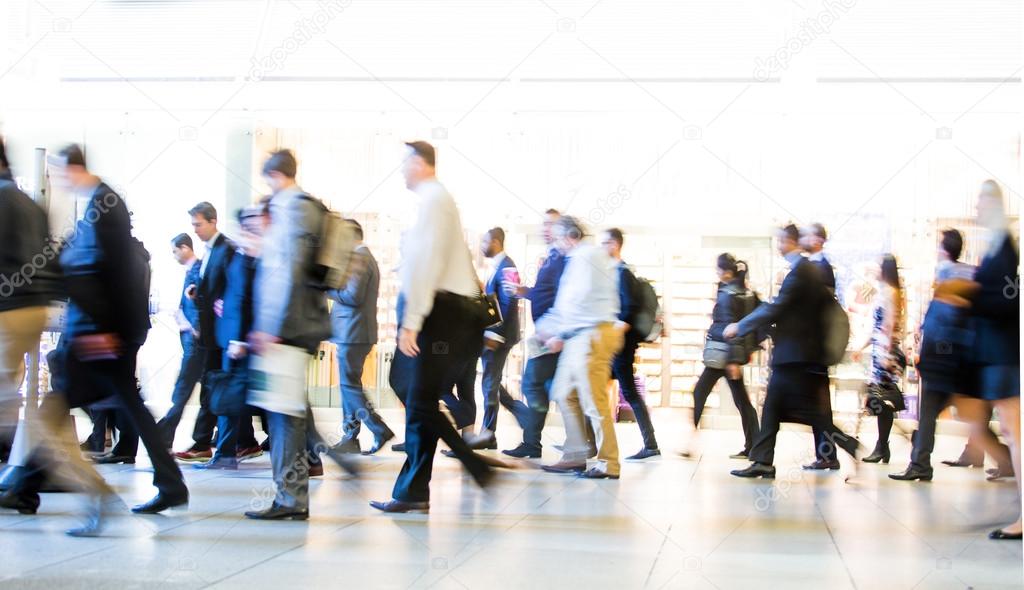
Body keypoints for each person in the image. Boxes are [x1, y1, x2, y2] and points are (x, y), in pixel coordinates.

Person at [4, 144, 189, 523]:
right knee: (111, 407)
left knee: (57, 409)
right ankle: (23, 484)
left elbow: (110, 272)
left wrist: (101, 328)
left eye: (56, 172)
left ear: (69, 168)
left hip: (100, 333)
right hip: (101, 330)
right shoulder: (98, 204)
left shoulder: (103, 205)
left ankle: (23, 485)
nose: (56, 180)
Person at [370, 141, 494, 513]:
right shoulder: (436, 201)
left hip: (442, 313)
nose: (402, 170)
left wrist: (411, 322)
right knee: (414, 394)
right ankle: (418, 489)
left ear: (421, 163)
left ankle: (455, 472)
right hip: (447, 312)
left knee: (415, 394)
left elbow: (427, 263)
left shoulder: (434, 199)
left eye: (405, 162)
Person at [244, 149, 356, 521]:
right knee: (289, 410)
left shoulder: (291, 210)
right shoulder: (309, 208)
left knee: (284, 415)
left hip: (288, 329)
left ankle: (291, 498)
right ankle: (305, 480)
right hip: (301, 324)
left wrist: (269, 328)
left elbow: (285, 273)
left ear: (275, 175)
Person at [727, 224, 863, 480]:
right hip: (798, 356)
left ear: (792, 242)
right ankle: (763, 461)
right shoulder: (804, 270)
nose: (779, 246)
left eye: (781, 241)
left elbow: (777, 307)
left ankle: (849, 445)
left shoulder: (803, 271)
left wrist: (741, 326)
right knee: (774, 408)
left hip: (797, 357)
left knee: (810, 414)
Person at [890, 228, 1011, 482]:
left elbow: (939, 324)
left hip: (942, 362)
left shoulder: (946, 276)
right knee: (972, 417)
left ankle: (920, 463)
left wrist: (927, 355)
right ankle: (1005, 460)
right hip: (964, 364)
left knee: (929, 415)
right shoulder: (973, 276)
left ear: (943, 250)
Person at [954, 180, 1021, 540]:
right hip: (995, 353)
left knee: (1015, 433)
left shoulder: (1004, 248)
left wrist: (972, 295)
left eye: (981, 201)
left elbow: (1007, 300)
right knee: (1010, 432)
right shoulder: (997, 245)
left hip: (1003, 354)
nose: (976, 208)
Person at [539, 216, 626, 479]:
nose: (555, 244)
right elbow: (569, 301)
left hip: (591, 335)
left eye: (556, 238)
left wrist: (554, 328)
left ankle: (609, 462)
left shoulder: (587, 257)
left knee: (593, 401)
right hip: (578, 336)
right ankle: (576, 453)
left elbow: (575, 300)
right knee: (563, 392)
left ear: (570, 236)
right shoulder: (579, 259)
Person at [195, 206, 267, 470]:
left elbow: (249, 301)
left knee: (273, 407)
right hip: (234, 341)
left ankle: (311, 455)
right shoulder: (240, 255)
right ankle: (225, 453)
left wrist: (239, 339)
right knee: (232, 400)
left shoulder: (257, 258)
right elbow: (233, 296)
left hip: (246, 343)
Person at [163, 202, 234, 461]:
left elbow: (226, 288)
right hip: (204, 336)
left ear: (213, 221)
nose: (195, 230)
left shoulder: (223, 250)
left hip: (208, 336)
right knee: (207, 389)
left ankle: (207, 443)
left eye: (198, 224)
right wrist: (198, 295)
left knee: (204, 389)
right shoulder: (209, 252)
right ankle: (205, 442)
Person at [501, 209, 566, 459]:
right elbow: (545, 293)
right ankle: (536, 440)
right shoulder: (551, 257)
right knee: (546, 387)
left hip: (551, 335)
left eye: (550, 224)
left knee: (532, 384)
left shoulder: (560, 258)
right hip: (547, 334)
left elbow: (561, 297)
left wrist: (556, 333)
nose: (544, 229)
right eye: (544, 224)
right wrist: (525, 291)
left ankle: (533, 440)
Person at [328, 219, 395, 456]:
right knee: (349, 386)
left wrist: (329, 289)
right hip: (351, 332)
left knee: (349, 387)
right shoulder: (360, 257)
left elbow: (353, 296)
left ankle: (378, 428)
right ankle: (350, 436)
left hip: (353, 333)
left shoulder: (360, 258)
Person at [689, 254, 760, 460]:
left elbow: (731, 326)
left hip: (723, 355)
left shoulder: (728, 293)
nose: (717, 274)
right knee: (741, 401)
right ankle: (753, 445)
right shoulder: (740, 291)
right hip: (727, 355)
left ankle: (689, 441)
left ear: (726, 272)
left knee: (701, 393)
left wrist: (732, 360)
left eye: (718, 270)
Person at [601, 228, 660, 461]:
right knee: (594, 389)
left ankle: (651, 444)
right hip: (615, 345)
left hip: (620, 346)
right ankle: (587, 442)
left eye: (605, 242)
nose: (602, 247)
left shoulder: (622, 272)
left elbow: (629, 308)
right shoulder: (613, 272)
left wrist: (616, 330)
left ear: (615, 245)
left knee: (629, 393)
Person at [465, 227, 521, 450]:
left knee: (490, 383)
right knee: (491, 382)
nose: (482, 246)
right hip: (494, 334)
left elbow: (509, 303)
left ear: (497, 242)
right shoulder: (497, 266)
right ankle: (520, 417)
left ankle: (489, 433)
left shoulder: (508, 267)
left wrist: (495, 333)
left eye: (485, 241)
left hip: (500, 336)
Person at [150, 234, 205, 455]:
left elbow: (199, 304)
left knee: (182, 390)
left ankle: (165, 435)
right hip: (192, 339)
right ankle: (174, 436)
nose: (174, 256)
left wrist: (193, 328)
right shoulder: (192, 271)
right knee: (197, 390)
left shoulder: (197, 270)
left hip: (195, 340)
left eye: (174, 251)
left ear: (185, 248)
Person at [851, 254, 906, 464]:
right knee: (880, 401)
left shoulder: (890, 293)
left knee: (877, 400)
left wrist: (885, 354)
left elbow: (888, 325)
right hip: (880, 351)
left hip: (885, 353)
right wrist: (863, 346)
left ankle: (884, 445)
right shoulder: (888, 291)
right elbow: (878, 327)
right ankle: (882, 446)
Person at [800, 223, 840, 470]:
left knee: (819, 405)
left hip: (814, 347)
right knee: (817, 405)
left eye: (806, 235)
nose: (803, 239)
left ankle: (833, 452)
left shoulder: (820, 268)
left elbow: (820, 308)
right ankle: (827, 454)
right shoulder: (816, 267)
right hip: (813, 346)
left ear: (817, 239)